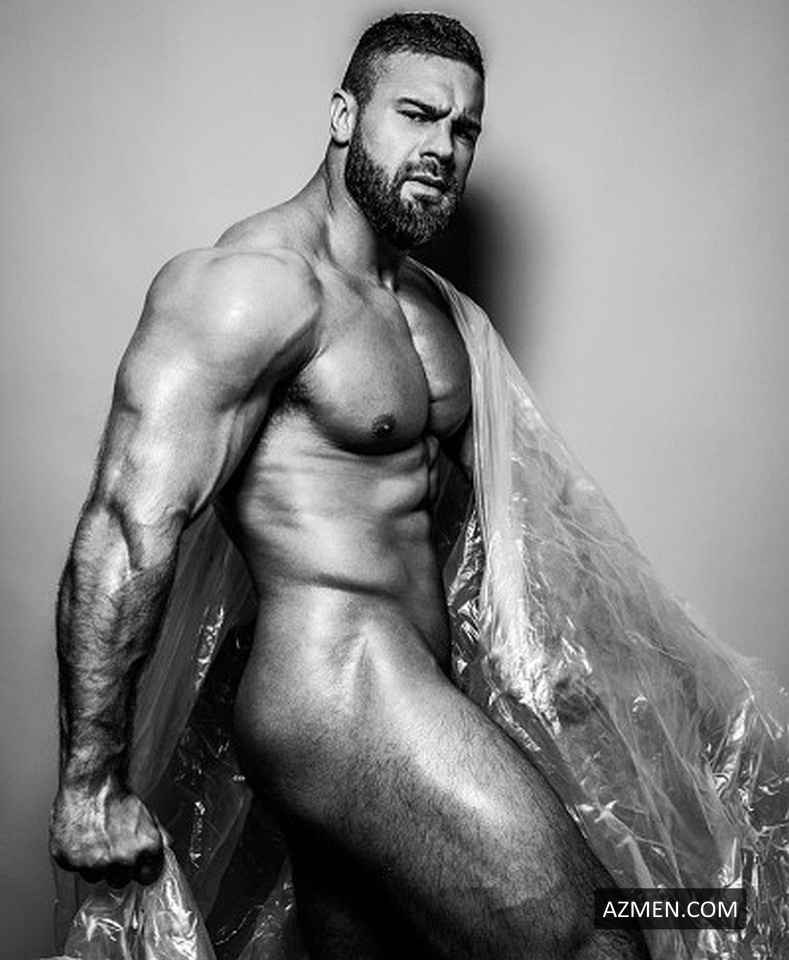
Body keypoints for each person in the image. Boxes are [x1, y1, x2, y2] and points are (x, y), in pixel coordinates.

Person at [49, 13, 650, 959]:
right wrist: (91, 781)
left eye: (464, 129)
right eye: (416, 114)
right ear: (342, 115)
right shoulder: (252, 287)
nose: (442, 147)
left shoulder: (430, 309)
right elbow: (131, 522)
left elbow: (495, 511)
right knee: (600, 936)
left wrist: (546, 654)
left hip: (410, 683)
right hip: (335, 687)